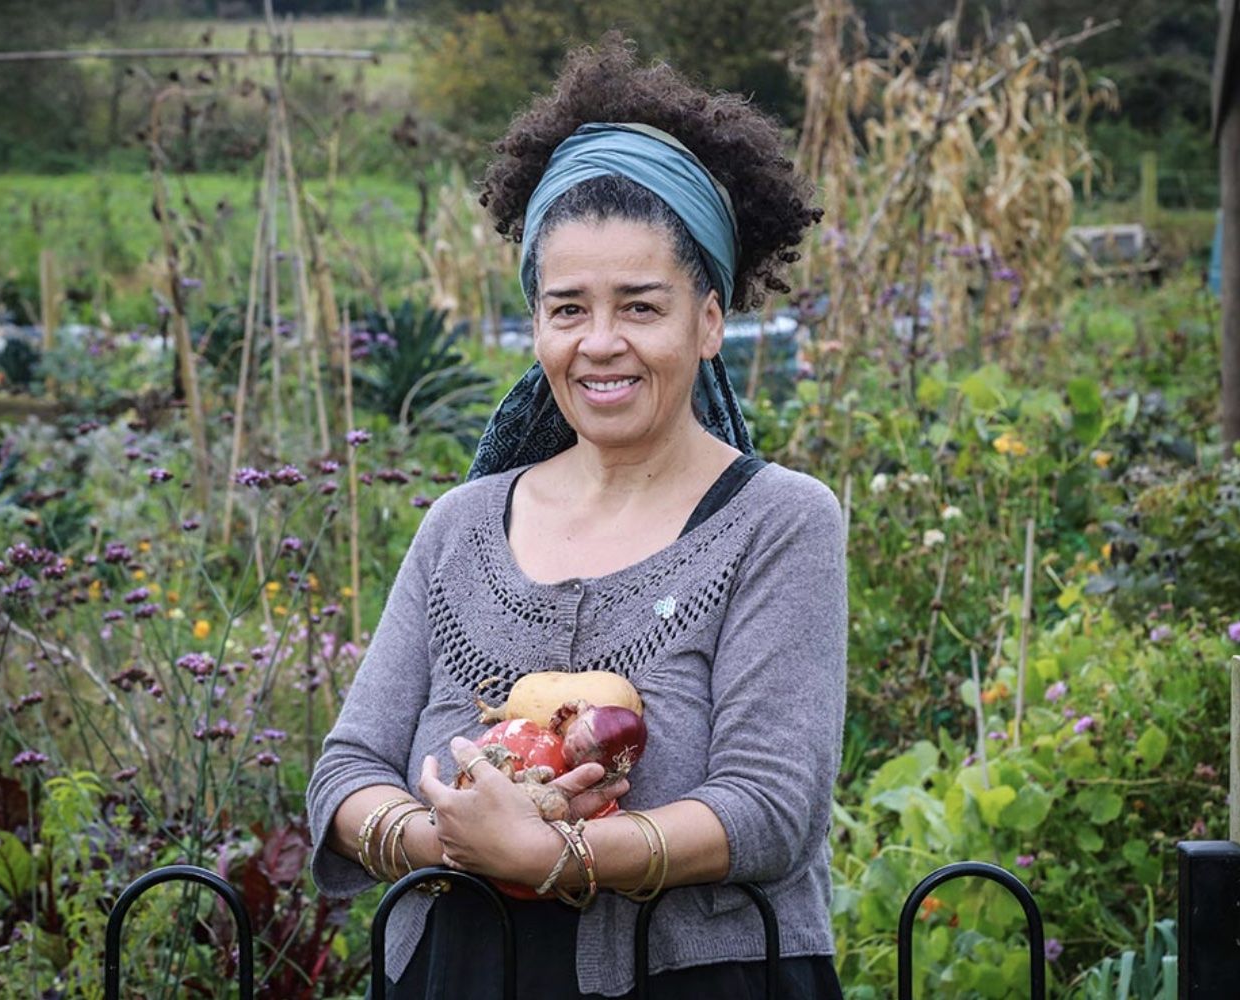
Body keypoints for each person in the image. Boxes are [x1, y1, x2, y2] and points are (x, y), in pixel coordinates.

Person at [308, 34, 847, 999]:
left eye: (641, 306)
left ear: (710, 320)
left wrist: (555, 858)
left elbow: (772, 808)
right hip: (461, 973)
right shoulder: (461, 528)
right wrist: (446, 839)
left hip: (697, 982)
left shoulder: (778, 524)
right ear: (536, 322)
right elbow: (346, 771)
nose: (600, 344)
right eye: (567, 310)